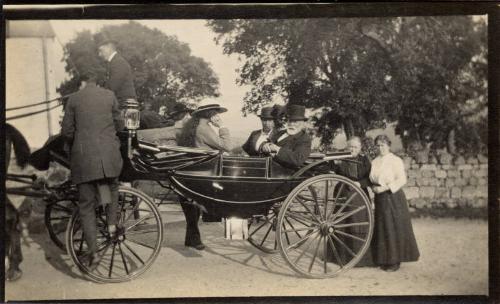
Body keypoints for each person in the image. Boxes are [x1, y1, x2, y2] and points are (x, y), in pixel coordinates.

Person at [61, 70, 124, 264]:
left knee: (86, 205)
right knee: (110, 188)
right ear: (96, 82)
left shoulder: (74, 99)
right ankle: (112, 224)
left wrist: (69, 146)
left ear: (82, 83)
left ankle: (94, 251)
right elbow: (120, 125)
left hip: (85, 162)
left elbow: (67, 131)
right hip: (109, 159)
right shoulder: (109, 95)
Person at [177, 104, 232, 250]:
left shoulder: (193, 126)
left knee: (192, 204)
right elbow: (227, 146)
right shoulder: (204, 128)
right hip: (204, 172)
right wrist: (222, 126)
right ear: (210, 114)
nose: (218, 116)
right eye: (216, 113)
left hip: (192, 170)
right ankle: (197, 235)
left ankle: (192, 238)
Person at [369, 134, 420, 272]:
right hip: (380, 198)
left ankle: (394, 261)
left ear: (388, 145)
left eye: (383, 145)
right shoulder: (374, 161)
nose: (380, 148)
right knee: (382, 227)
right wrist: (373, 187)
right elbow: (372, 179)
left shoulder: (395, 160)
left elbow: (402, 179)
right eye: (378, 145)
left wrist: (384, 188)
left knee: (393, 227)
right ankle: (383, 259)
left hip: (393, 196)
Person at [327, 136, 374, 267]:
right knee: (342, 223)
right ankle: (340, 257)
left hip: (359, 195)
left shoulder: (365, 160)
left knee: (358, 222)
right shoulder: (341, 158)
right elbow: (331, 170)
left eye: (355, 147)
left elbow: (370, 179)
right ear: (347, 147)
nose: (352, 149)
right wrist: (333, 163)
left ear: (360, 148)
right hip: (343, 193)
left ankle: (360, 258)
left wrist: (359, 183)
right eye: (350, 147)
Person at [260, 104, 312, 171]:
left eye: (295, 122)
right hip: (267, 168)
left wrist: (278, 149)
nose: (292, 124)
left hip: (285, 174)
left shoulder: (304, 139)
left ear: (302, 123)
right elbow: (267, 142)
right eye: (290, 121)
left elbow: (298, 159)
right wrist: (265, 145)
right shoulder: (281, 133)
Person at [96, 38, 136, 109]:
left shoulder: (118, 63)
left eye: (101, 51)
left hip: (125, 106)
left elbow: (112, 87)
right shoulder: (114, 63)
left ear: (109, 48)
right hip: (121, 104)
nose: (100, 54)